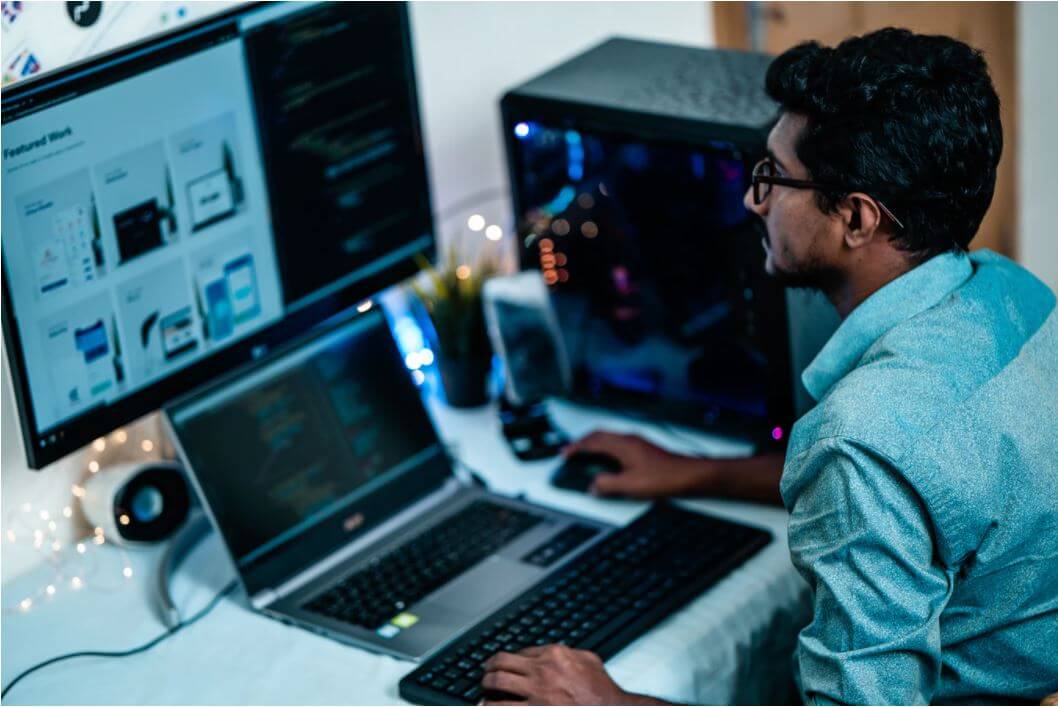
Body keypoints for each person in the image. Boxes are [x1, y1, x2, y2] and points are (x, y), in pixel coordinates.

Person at [481, 28, 1058, 705]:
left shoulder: (860, 436)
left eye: (773, 178)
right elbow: (927, 484)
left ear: (856, 218)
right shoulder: (1011, 293)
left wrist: (610, 702)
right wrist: (692, 470)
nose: (754, 201)